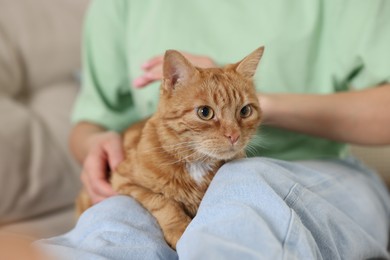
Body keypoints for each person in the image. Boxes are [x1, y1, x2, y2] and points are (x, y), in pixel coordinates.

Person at [37, 0, 390, 259]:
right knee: (114, 221)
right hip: (165, 162)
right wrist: (95, 144)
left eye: (242, 114)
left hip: (314, 168)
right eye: (207, 111)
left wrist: (262, 102)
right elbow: (92, 121)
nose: (231, 131)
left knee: (245, 186)